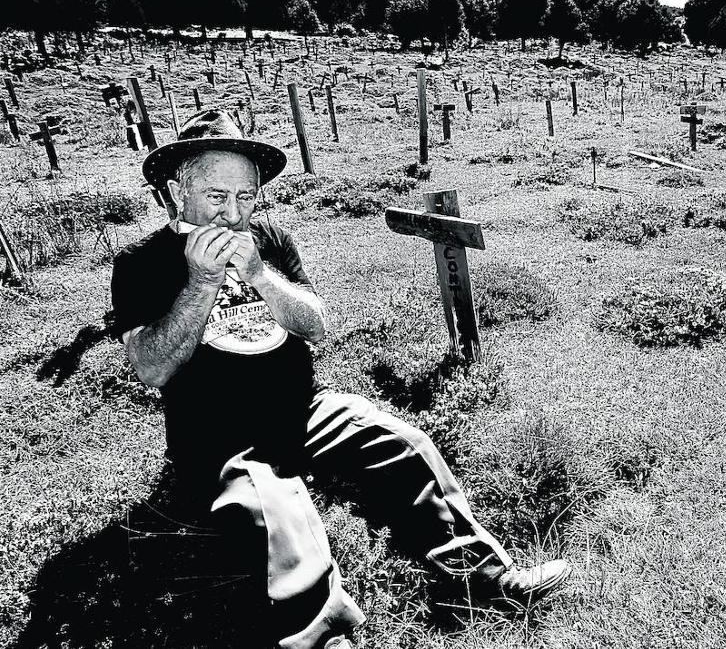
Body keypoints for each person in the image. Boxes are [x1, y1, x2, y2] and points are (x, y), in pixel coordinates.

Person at [110, 110, 570, 649]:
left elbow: (317, 324)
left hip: (304, 406)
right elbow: (151, 368)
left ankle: (485, 578)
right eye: (217, 196)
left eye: (247, 196)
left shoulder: (270, 240)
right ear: (175, 189)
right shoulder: (141, 261)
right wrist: (202, 282)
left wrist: (259, 275)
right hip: (218, 431)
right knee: (274, 514)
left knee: (404, 442)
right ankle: (322, 637)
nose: (234, 214)